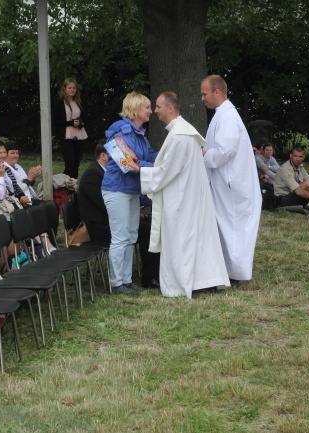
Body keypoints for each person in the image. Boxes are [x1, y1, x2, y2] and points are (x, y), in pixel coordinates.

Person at [129, 91, 229, 298]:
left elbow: (167, 171)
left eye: (158, 106)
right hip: (188, 194)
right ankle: (200, 280)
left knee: (182, 239)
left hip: (182, 197)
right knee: (194, 239)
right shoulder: (182, 132)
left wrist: (141, 171)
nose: (155, 111)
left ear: (170, 108)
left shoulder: (180, 136)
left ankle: (184, 282)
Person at [200, 74, 262, 283]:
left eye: (204, 93)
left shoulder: (228, 116)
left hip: (231, 184)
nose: (202, 98)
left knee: (233, 229)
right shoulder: (222, 115)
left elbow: (224, 151)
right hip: (227, 182)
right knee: (227, 227)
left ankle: (235, 272)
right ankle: (228, 269)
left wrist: (203, 154)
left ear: (217, 91)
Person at [78, 145, 160, 288]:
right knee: (147, 231)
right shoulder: (93, 174)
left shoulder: (104, 173)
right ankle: (148, 276)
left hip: (111, 219)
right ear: (104, 156)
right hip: (99, 227)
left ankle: (140, 276)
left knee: (148, 227)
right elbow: (104, 205)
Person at [102, 92, 158, 294]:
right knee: (120, 237)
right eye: (147, 107)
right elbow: (127, 163)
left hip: (132, 191)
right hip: (117, 190)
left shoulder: (140, 134)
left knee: (131, 235)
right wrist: (151, 165)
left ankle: (126, 280)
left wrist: (167, 155)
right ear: (135, 109)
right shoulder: (120, 132)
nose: (151, 111)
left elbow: (149, 155)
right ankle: (117, 283)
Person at [52, 78, 88, 179]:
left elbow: (84, 118)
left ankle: (73, 191)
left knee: (76, 165)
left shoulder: (78, 102)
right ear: (65, 89)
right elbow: (55, 121)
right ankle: (64, 189)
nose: (72, 90)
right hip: (66, 136)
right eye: (70, 88)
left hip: (79, 135)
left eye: (74, 88)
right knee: (70, 165)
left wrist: (80, 123)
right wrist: (70, 123)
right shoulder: (59, 102)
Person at [0, 140, 31, 207]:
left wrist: (20, 197)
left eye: (4, 152)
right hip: (1, 204)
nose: (2, 155)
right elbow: (1, 194)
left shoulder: (6, 168)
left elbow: (12, 186)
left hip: (15, 199)